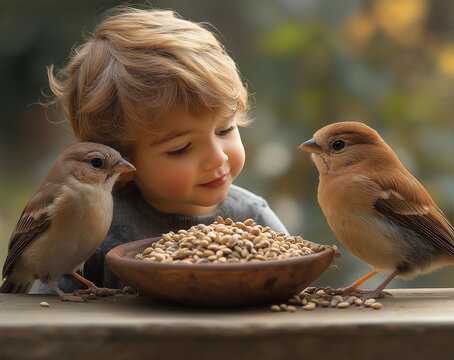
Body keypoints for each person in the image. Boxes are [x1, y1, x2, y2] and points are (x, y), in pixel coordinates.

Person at [34, 6, 287, 293]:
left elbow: (295, 301)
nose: (218, 157)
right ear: (123, 162)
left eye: (225, 129)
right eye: (181, 149)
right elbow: (51, 316)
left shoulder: (255, 219)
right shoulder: (93, 225)